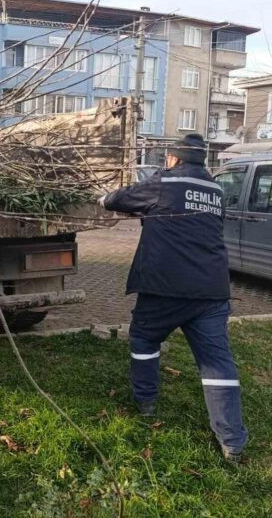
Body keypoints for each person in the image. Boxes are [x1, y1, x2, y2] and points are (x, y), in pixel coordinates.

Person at [99, 133, 247, 462]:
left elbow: (117, 200)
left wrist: (101, 198)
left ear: (174, 159)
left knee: (143, 340)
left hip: (164, 287)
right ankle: (232, 441)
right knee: (217, 363)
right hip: (210, 291)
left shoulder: (165, 182)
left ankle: (146, 403)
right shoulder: (216, 190)